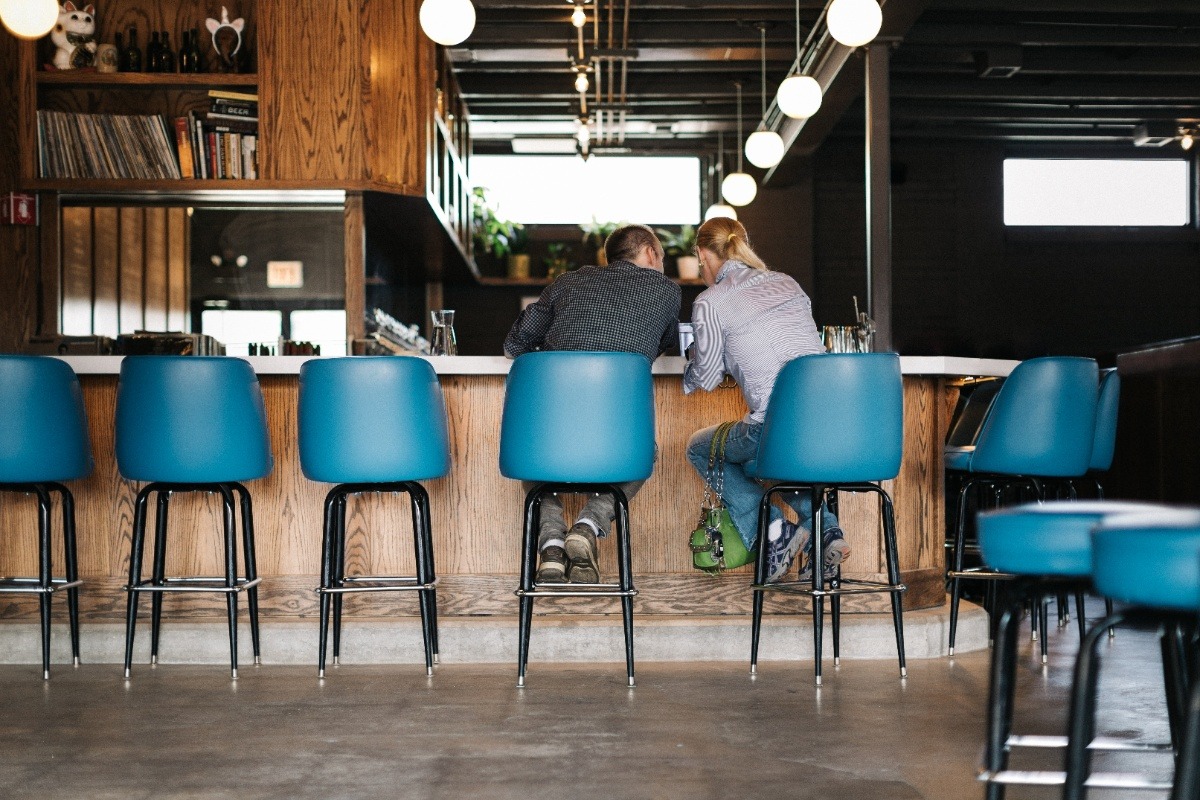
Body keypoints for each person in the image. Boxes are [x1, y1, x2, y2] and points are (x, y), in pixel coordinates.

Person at [504, 223, 682, 584]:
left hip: (551, 433)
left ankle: (551, 544)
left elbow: (515, 344)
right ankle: (587, 526)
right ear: (650, 252)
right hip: (616, 439)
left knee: (532, 454)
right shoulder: (667, 291)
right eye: (661, 254)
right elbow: (662, 344)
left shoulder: (567, 282)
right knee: (644, 452)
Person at [682, 216, 849, 583]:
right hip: (828, 424)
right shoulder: (786, 283)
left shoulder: (710, 301)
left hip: (776, 426)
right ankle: (826, 531)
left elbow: (707, 378)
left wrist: (695, 359)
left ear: (704, 255)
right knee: (772, 460)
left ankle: (775, 532)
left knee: (700, 448)